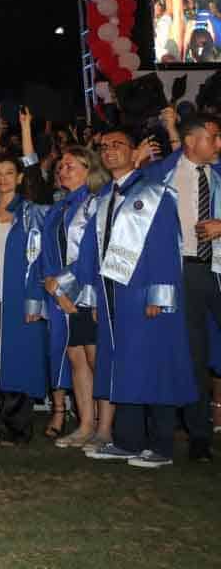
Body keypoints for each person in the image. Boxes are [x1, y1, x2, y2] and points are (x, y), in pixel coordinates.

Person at [81, 128, 198, 467]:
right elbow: (95, 252)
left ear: (136, 153)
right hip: (113, 295)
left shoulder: (154, 193)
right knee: (123, 365)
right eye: (104, 146)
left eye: (118, 144)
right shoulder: (104, 197)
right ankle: (128, 440)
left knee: (155, 364)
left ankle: (161, 446)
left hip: (145, 294)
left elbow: (166, 246)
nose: (109, 150)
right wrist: (95, 297)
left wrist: (159, 294)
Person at [140, 114, 221, 463]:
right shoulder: (160, 176)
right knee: (194, 356)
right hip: (185, 273)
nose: (219, 144)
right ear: (191, 141)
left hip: (218, 270)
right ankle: (199, 435)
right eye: (214, 137)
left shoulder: (219, 174)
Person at [43, 147, 110, 449]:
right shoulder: (58, 208)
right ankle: (85, 424)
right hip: (62, 294)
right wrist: (54, 288)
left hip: (90, 292)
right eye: (60, 167)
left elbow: (92, 254)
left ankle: (105, 428)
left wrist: (62, 285)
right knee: (76, 357)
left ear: (88, 169)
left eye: (70, 165)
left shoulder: (97, 203)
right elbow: (47, 254)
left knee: (96, 358)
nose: (62, 170)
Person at [0, 155, 50, 445]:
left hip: (19, 297)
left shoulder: (32, 213)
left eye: (10, 172)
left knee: (19, 359)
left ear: (20, 177)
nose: (3, 178)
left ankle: (18, 428)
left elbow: (41, 259)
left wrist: (36, 298)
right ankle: (3, 422)